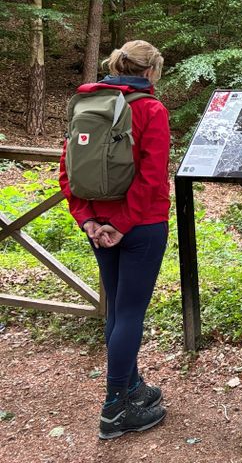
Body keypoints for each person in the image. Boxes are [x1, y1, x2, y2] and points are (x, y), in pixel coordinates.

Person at [58, 40, 170, 440]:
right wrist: (123, 224)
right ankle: (114, 409)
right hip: (141, 225)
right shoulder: (150, 109)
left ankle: (133, 386)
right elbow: (152, 177)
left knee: (117, 312)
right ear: (151, 71)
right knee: (130, 313)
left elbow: (67, 170)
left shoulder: (86, 104)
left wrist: (88, 219)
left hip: (99, 225)